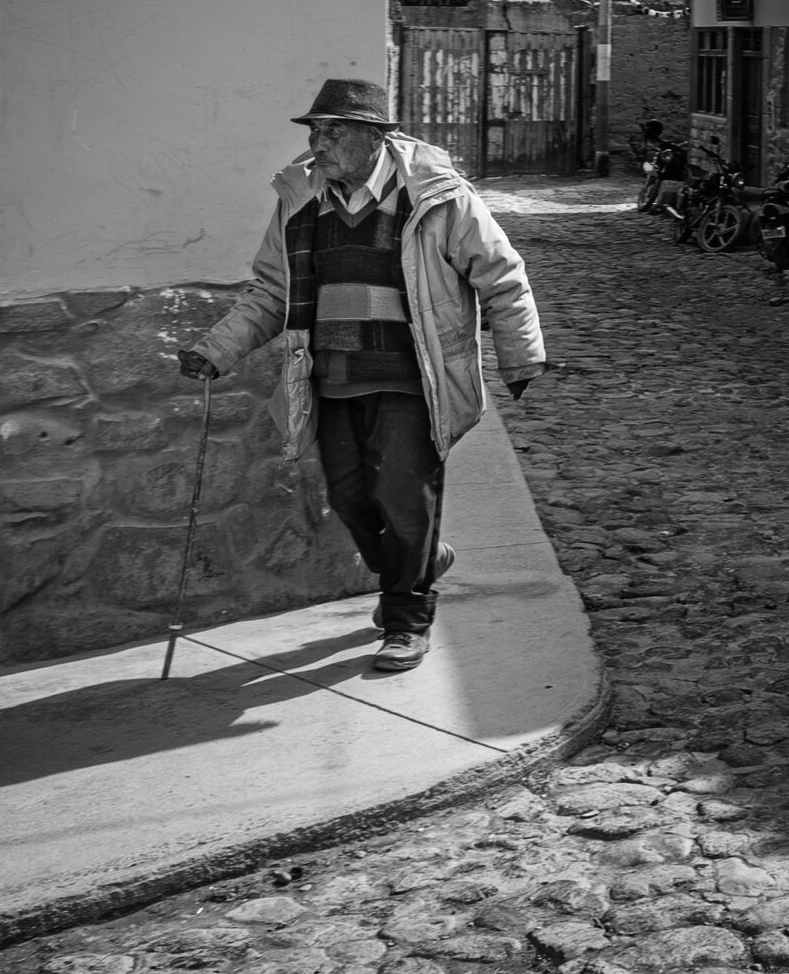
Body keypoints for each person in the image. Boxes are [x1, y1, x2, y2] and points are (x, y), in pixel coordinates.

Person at [179, 78, 545, 672]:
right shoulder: (300, 199)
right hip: (332, 379)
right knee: (350, 498)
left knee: (403, 498)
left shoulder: (437, 195)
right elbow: (274, 290)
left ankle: (406, 619)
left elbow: (500, 273)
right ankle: (421, 559)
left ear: (375, 137)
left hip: (412, 377)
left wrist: (521, 355)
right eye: (315, 132)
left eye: (333, 131)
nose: (318, 145)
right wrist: (217, 350)